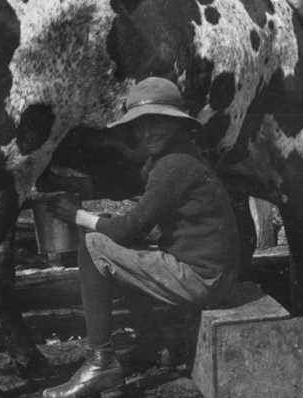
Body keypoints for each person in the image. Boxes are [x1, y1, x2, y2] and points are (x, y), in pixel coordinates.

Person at [42, 77, 240, 398]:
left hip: (202, 279)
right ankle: (151, 343)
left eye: (158, 124)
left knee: (94, 243)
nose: (148, 134)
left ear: (176, 125)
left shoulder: (173, 167)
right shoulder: (179, 157)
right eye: (141, 126)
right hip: (211, 273)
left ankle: (100, 362)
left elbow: (126, 228)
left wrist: (76, 215)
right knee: (121, 247)